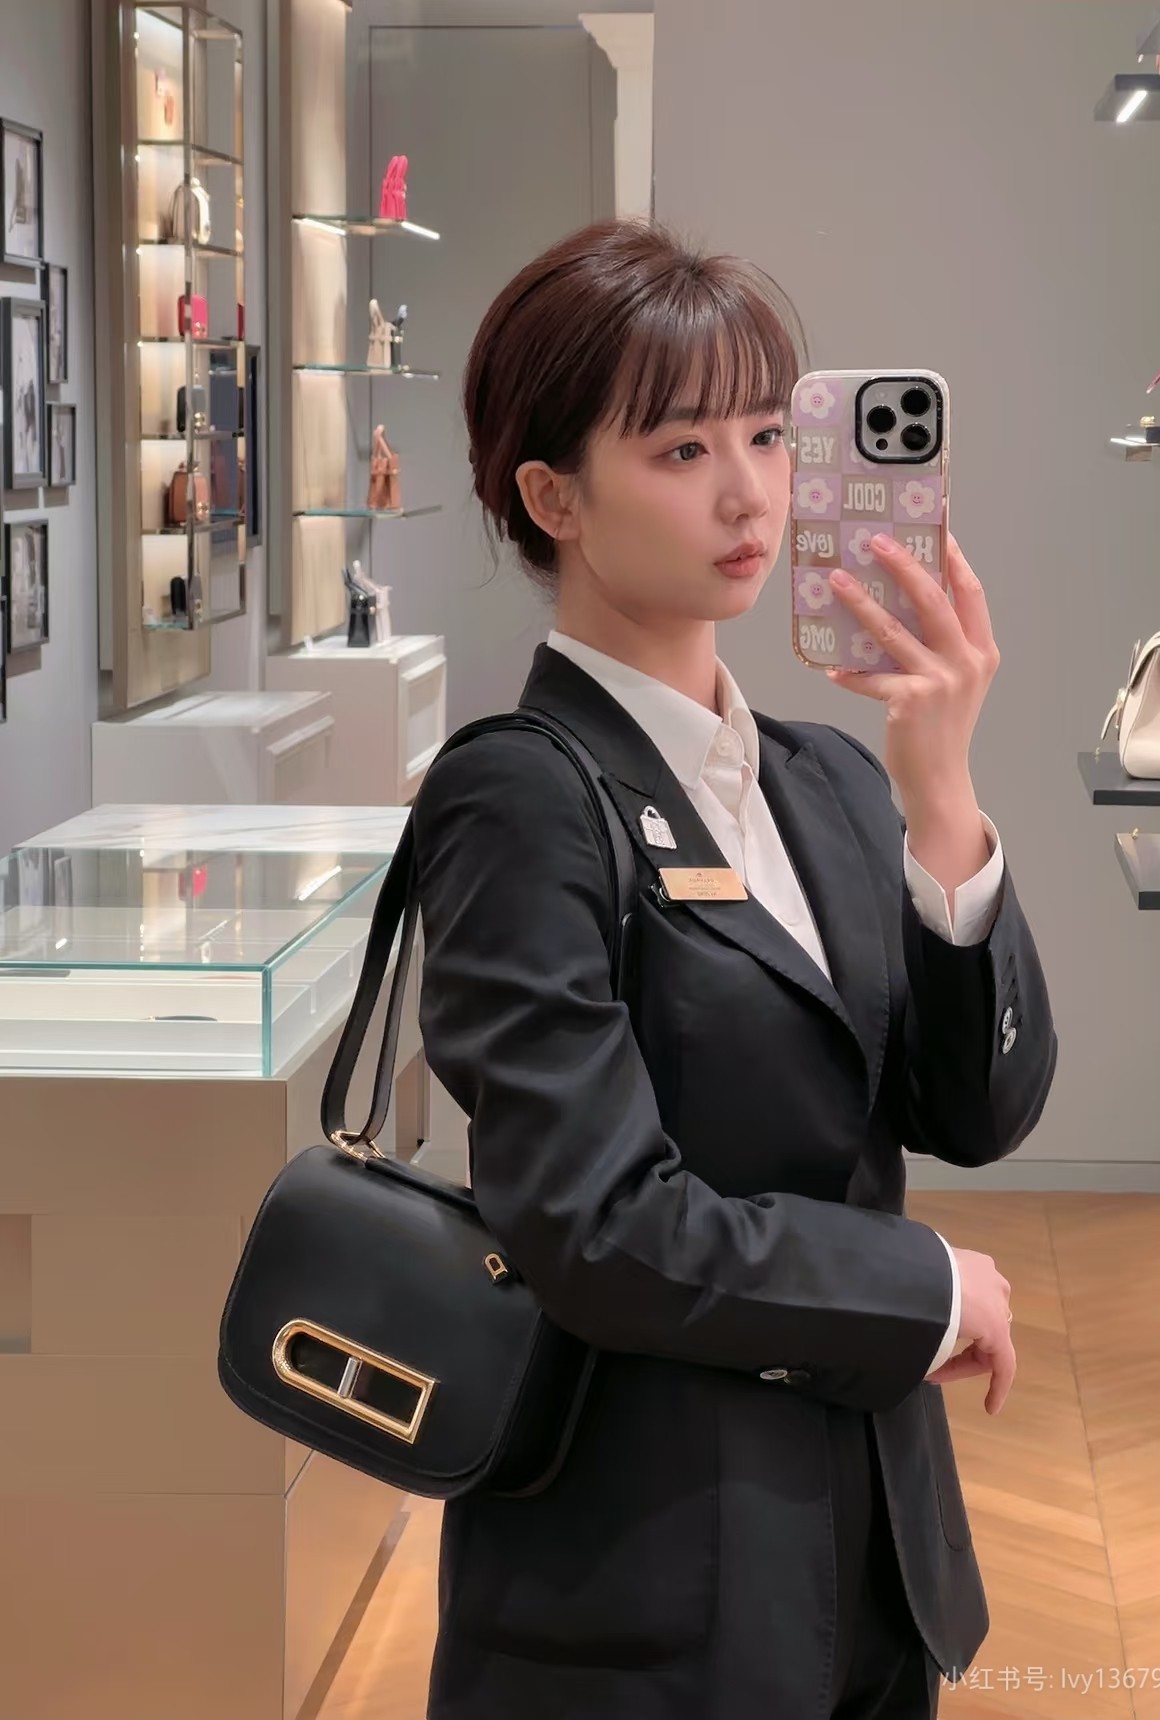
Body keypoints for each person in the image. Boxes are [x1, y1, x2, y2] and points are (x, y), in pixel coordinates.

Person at [412, 217, 1058, 1720]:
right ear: (553, 496)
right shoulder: (521, 791)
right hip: (648, 1585)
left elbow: (974, 1112)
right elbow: (595, 1224)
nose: (752, 492)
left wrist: (942, 792)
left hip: (871, 1550)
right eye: (682, 449)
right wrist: (921, 1285)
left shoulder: (826, 778)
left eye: (768, 434)